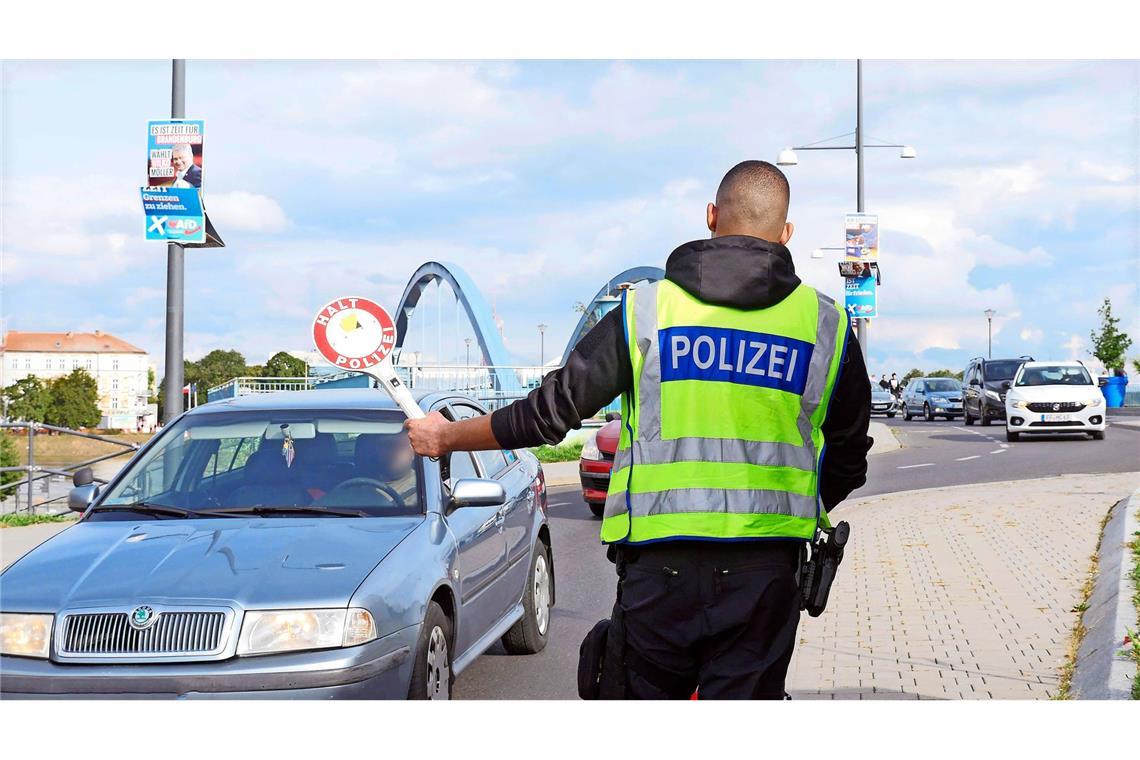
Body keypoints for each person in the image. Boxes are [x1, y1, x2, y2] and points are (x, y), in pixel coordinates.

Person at [405, 160, 872, 699]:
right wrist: (792, 510)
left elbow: (550, 412)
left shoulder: (645, 311)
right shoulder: (826, 326)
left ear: (711, 216)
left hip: (660, 572)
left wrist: (446, 437)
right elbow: (848, 458)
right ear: (786, 234)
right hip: (765, 573)